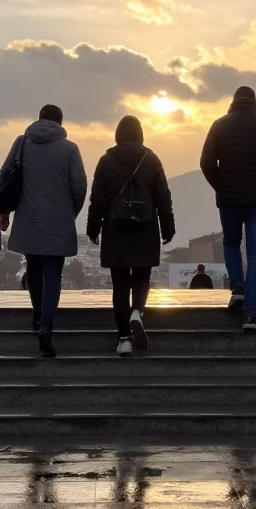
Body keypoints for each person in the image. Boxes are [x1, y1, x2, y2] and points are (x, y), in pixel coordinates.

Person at [0, 104, 88, 357]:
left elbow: (5, 175)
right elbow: (79, 186)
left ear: (38, 119)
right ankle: (47, 323)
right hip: (59, 218)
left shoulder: (22, 143)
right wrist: (71, 212)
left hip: (28, 218)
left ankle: (37, 315)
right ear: (60, 123)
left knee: (34, 268)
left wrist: (3, 212)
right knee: (53, 273)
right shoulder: (70, 149)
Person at [200, 86, 256, 332]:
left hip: (229, 199)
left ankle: (237, 287)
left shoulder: (219, 125)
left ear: (233, 101)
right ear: (255, 102)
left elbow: (205, 163)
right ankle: (251, 313)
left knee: (230, 242)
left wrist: (222, 185)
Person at [86, 116, 176, 357]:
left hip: (116, 230)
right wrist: (168, 228)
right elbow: (163, 198)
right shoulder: (152, 159)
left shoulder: (106, 161)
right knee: (141, 277)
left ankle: (124, 339)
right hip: (145, 230)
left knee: (120, 285)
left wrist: (92, 229)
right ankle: (138, 311)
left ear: (117, 134)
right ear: (140, 134)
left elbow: (98, 199)